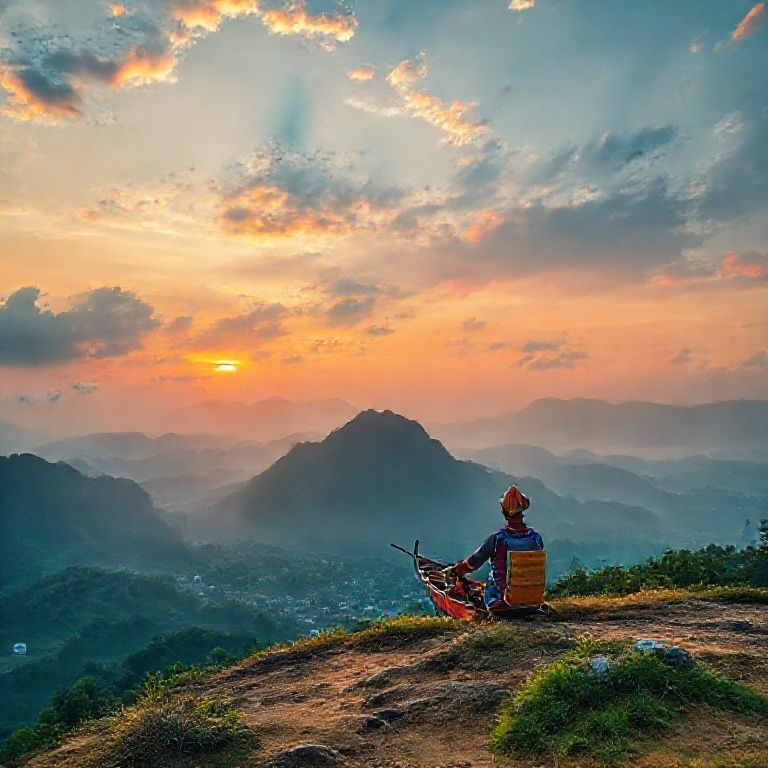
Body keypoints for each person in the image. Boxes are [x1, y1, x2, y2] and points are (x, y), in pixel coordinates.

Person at [444, 485, 543, 610]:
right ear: (523, 509)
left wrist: (455, 570)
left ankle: (493, 603)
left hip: (501, 600)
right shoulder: (536, 538)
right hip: (532, 599)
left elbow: (472, 563)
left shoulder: (497, 540)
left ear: (503, 512)